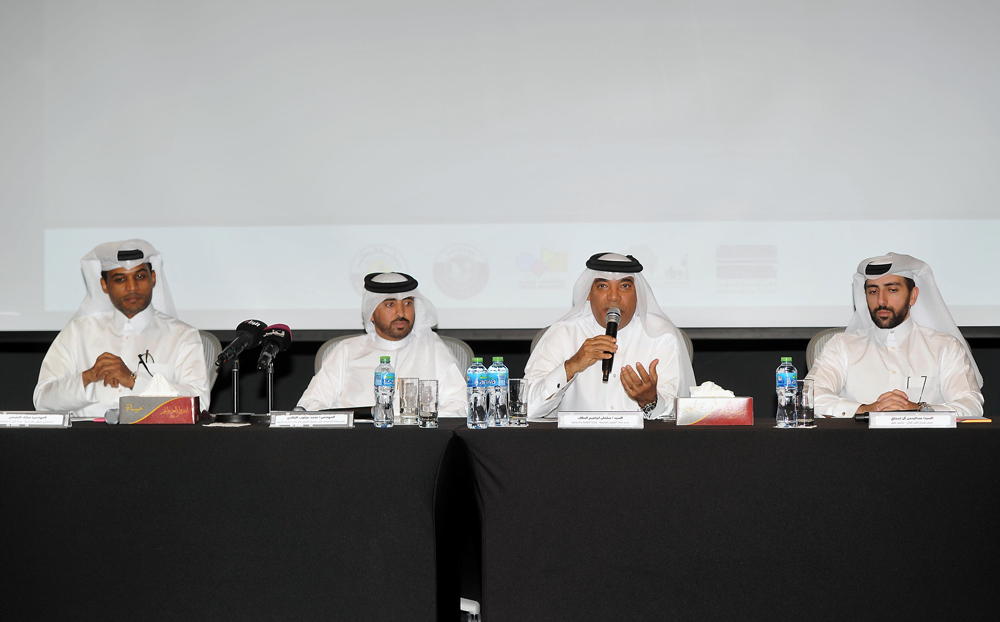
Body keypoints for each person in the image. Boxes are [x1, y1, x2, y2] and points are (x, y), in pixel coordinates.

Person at [33, 240, 211, 419]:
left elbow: (199, 403)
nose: (132, 287)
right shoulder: (78, 332)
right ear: (104, 285)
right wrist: (88, 378)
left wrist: (135, 381)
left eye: (140, 277)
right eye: (120, 279)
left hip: (155, 442)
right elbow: (42, 400)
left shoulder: (182, 336)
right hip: (85, 441)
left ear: (153, 278)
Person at [807, 252, 983, 418]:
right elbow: (810, 395)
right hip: (859, 446)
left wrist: (919, 409)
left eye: (892, 290)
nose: (881, 301)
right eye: (873, 291)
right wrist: (865, 410)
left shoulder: (945, 347)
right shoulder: (842, 346)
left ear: (912, 296)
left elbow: (971, 405)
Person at [524, 252, 695, 419]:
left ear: (638, 295)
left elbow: (677, 410)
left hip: (642, 444)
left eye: (624, 286)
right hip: (574, 443)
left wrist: (650, 401)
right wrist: (571, 366)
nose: (614, 297)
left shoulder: (661, 336)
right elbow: (527, 407)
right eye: (603, 286)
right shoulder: (562, 334)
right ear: (589, 294)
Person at [297, 272, 467, 416]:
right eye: (390, 304)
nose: (401, 313)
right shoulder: (347, 350)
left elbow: (460, 404)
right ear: (371, 313)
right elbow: (311, 402)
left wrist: (419, 425)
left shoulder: (432, 348)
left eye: (408, 303)